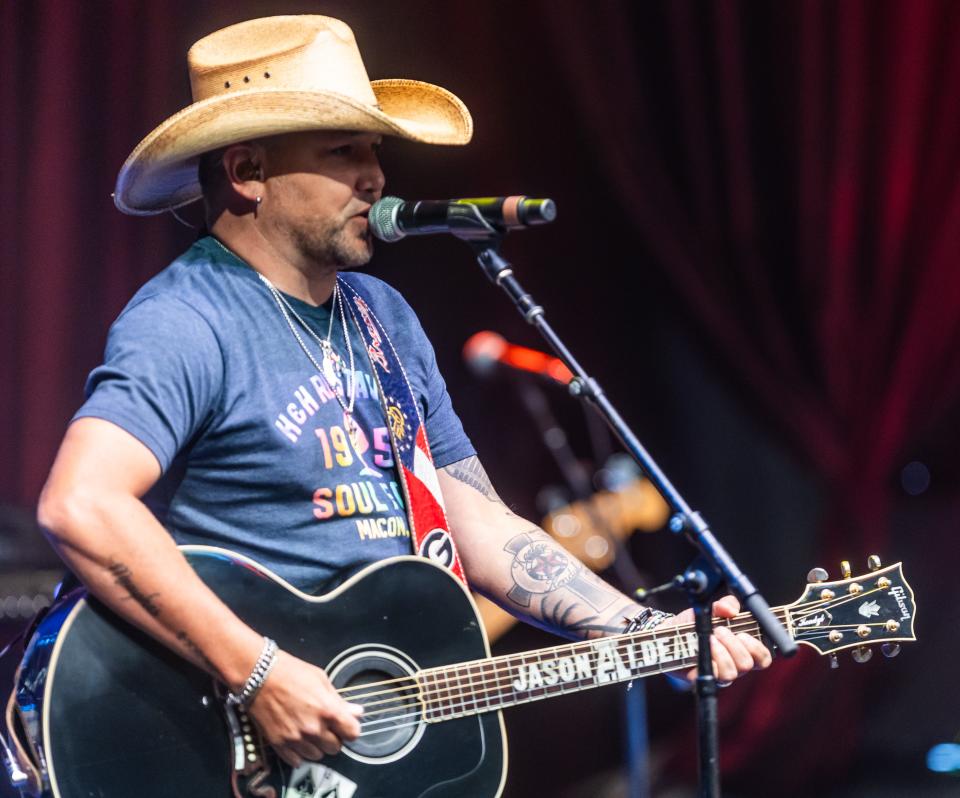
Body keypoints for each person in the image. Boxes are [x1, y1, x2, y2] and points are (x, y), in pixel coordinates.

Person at [36, 14, 771, 771]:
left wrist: (641, 631)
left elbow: (473, 517)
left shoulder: (383, 316)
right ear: (248, 171)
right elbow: (81, 505)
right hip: (213, 745)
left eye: (375, 152)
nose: (376, 178)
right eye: (343, 151)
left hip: (358, 742)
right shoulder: (190, 318)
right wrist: (258, 672)